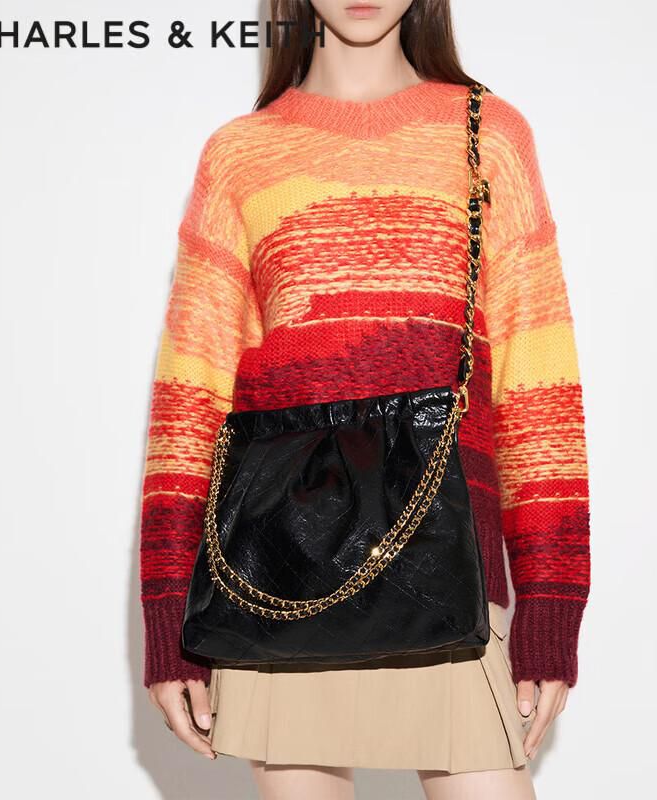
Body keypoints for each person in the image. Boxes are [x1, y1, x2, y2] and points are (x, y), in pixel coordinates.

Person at [138, 1, 591, 797]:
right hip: (281, 582)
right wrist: (168, 616)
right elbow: (191, 397)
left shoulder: (489, 137)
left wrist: (552, 602)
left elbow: (536, 385)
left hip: (450, 571)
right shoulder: (241, 155)